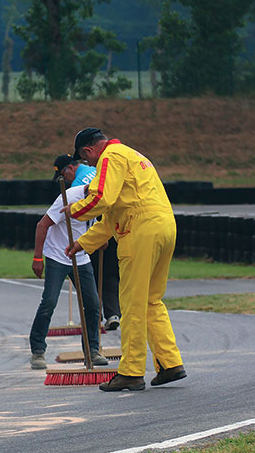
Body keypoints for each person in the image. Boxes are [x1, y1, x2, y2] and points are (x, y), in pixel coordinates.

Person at [65, 127, 187, 392]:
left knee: (131, 303)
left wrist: (73, 211)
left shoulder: (110, 157)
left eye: (87, 161)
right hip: (164, 226)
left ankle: (131, 372)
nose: (91, 165)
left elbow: (100, 198)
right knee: (151, 300)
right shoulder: (133, 155)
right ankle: (170, 363)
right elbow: (112, 215)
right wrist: (84, 243)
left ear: (88, 151)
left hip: (140, 231)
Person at [28, 157, 107, 370]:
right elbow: (42, 225)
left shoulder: (101, 200)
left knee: (93, 305)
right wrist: (37, 258)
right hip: (57, 256)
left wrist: (100, 238)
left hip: (81, 256)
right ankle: (37, 350)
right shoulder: (69, 196)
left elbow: (99, 223)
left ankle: (92, 350)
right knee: (49, 302)